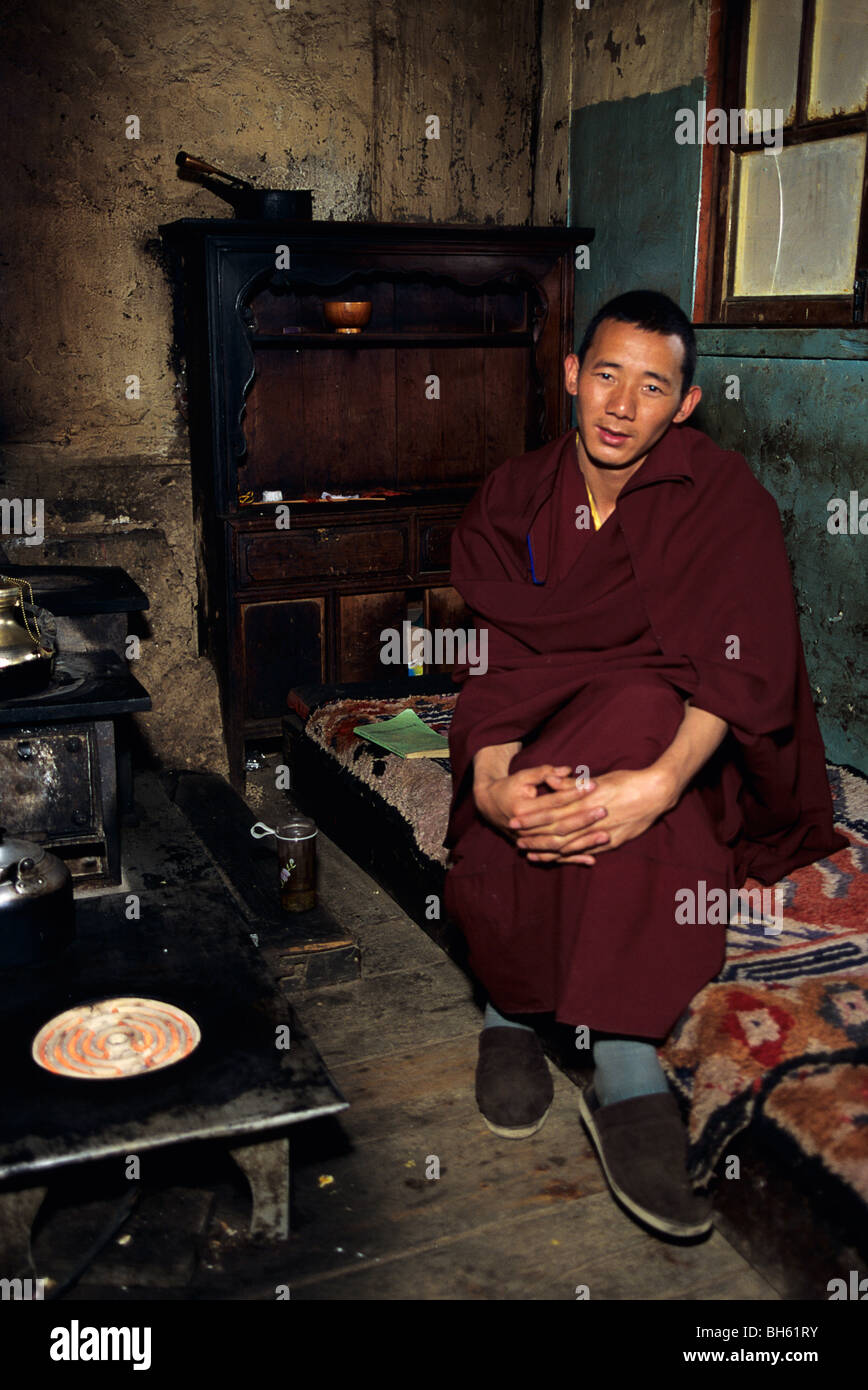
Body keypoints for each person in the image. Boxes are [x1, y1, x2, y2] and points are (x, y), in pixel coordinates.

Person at [443, 290, 846, 1240]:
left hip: (680, 734)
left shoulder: (724, 497)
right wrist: (496, 785)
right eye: (608, 376)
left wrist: (662, 781)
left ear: (685, 407)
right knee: (567, 766)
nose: (622, 407)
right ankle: (528, 1006)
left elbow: (746, 668)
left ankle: (606, 1047)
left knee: (636, 712)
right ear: (574, 377)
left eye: (653, 387)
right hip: (538, 726)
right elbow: (496, 661)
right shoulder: (513, 495)